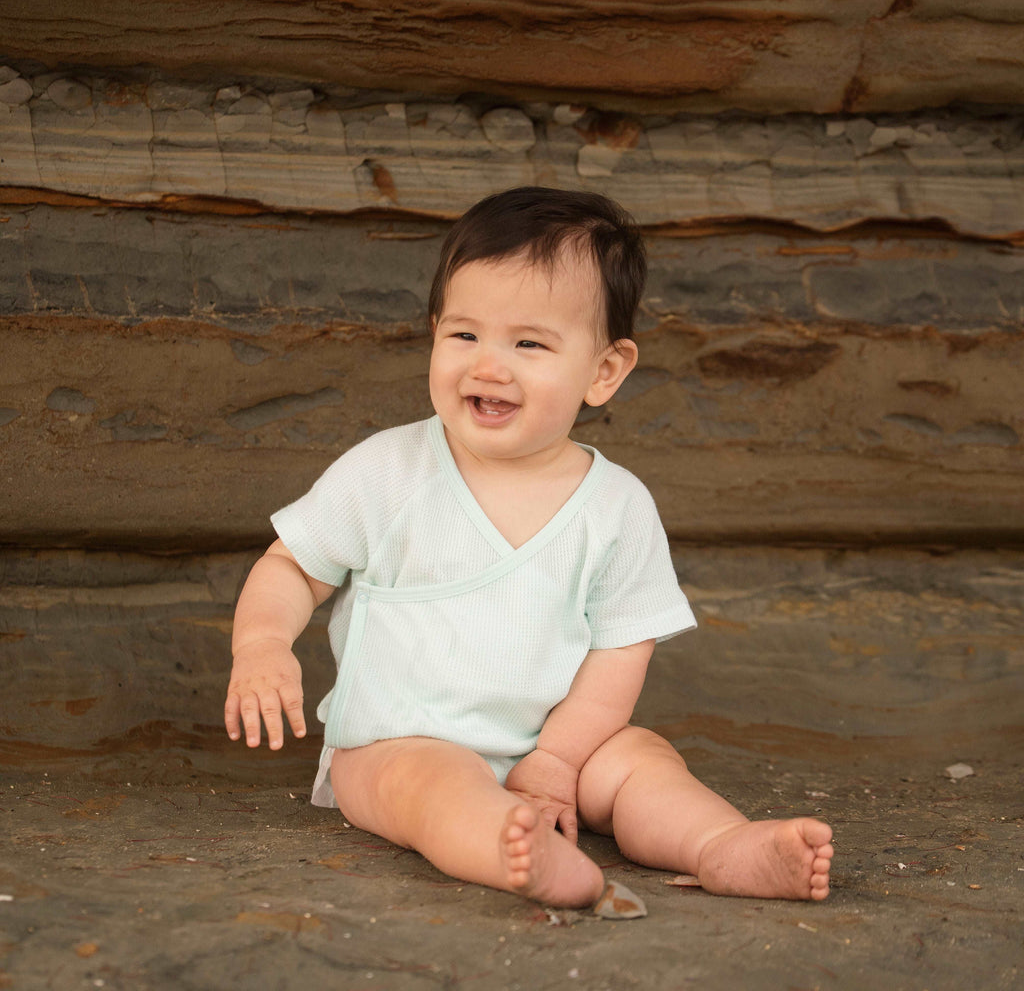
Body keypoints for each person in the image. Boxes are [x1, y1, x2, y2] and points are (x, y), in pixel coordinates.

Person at [224, 187, 833, 908]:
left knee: (641, 760)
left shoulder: (615, 506)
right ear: (434, 333)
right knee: (433, 787)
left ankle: (721, 845)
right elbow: (294, 564)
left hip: (558, 743)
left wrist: (558, 759)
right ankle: (515, 851)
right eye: (464, 335)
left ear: (603, 372)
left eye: (529, 343)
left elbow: (620, 652)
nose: (488, 366)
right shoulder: (386, 471)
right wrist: (262, 643)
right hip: (397, 742)